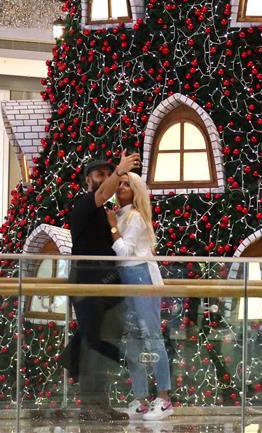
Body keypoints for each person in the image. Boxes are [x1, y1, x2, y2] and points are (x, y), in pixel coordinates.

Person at [69, 150, 140, 422]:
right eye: (101, 174)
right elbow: (101, 194)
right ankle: (90, 405)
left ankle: (100, 403)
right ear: (88, 179)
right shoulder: (86, 203)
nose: (107, 178)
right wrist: (120, 170)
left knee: (101, 344)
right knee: (93, 344)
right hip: (88, 284)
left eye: (109, 174)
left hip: (105, 287)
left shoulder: (105, 212)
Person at [107, 173, 173, 421]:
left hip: (141, 275)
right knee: (133, 339)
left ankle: (164, 399)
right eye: (120, 184)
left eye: (127, 184)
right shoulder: (120, 214)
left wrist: (112, 227)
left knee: (152, 336)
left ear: (136, 191)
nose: (121, 187)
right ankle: (142, 399)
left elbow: (125, 252)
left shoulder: (134, 216)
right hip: (125, 277)